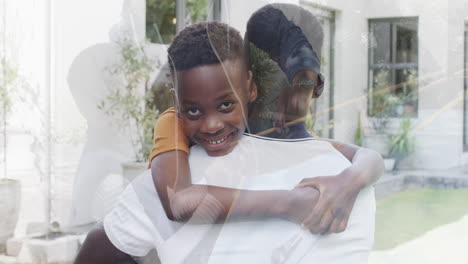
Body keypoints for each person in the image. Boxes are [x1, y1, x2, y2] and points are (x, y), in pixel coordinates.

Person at [75, 19, 380, 264]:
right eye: (193, 110)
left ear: (250, 89)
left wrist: (351, 179)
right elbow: (178, 201)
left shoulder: (303, 150)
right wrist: (292, 202)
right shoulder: (172, 123)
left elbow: (361, 154)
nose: (210, 124)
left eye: (225, 105)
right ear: (178, 102)